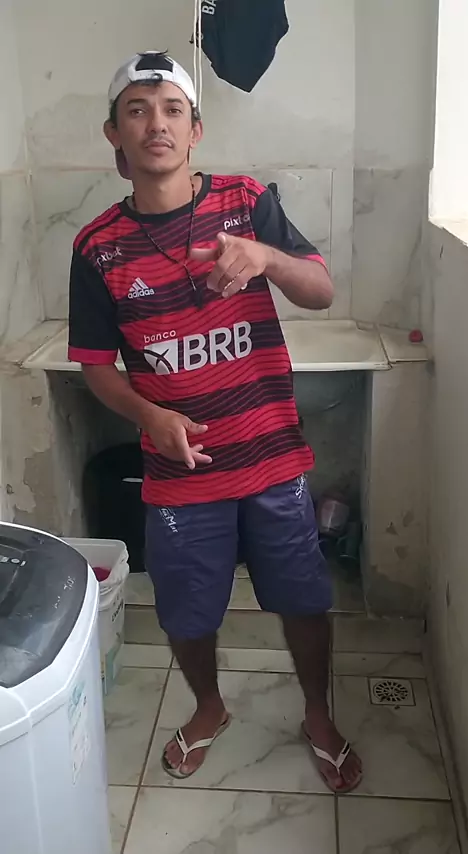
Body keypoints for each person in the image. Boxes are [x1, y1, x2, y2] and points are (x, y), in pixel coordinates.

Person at [68, 51, 362, 793]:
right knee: (186, 613)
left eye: (172, 109)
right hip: (181, 470)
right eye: (137, 111)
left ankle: (318, 712)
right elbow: (96, 365)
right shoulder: (97, 248)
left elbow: (320, 290)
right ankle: (209, 707)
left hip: (271, 458)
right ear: (114, 134)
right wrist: (149, 416)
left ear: (195, 129)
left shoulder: (245, 201)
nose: (156, 124)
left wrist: (264, 256)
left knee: (303, 599)